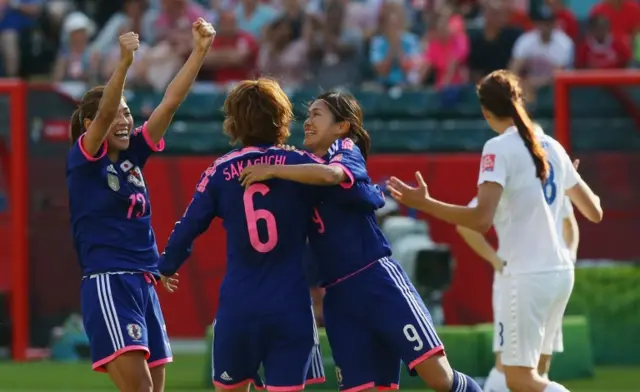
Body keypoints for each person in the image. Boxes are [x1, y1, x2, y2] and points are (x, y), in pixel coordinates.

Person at [238, 91, 483, 392]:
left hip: (377, 282)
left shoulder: (345, 149)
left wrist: (274, 169)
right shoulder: (301, 167)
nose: (308, 121)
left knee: (440, 379)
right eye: (308, 114)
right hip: (339, 298)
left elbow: (331, 176)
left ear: (341, 126)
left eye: (317, 114)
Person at [157, 79, 383, 392]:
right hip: (291, 306)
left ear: (233, 122)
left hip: (238, 305)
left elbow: (188, 226)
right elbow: (357, 196)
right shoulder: (304, 165)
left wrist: (167, 265)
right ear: (282, 119)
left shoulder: (220, 171)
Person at [387, 70, 603, 392]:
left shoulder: (498, 147)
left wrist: (427, 203)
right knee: (536, 376)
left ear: (486, 112)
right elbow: (595, 212)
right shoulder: (553, 147)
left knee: (517, 378)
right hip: (559, 274)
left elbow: (479, 220)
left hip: (525, 276)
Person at [66, 19, 215, 392]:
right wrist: (124, 63)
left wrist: (199, 52)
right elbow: (103, 114)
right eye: (117, 112)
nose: (124, 118)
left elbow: (170, 102)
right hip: (110, 282)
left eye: (128, 112)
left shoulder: (132, 154)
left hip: (144, 282)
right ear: (90, 123)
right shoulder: (84, 160)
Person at [457, 194, 579, 392]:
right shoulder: (512, 180)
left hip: (536, 281)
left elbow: (570, 224)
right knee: (520, 367)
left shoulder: (543, 178)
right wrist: (496, 260)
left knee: (531, 366)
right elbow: (465, 225)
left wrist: (569, 256)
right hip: (531, 281)